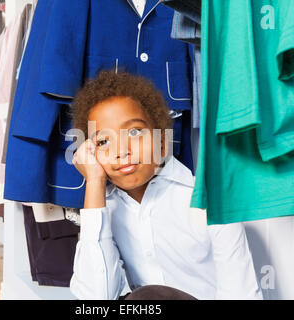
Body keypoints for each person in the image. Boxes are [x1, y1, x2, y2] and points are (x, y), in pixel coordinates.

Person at [69, 70, 262, 300]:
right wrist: (94, 182)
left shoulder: (207, 199)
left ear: (161, 142)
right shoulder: (104, 207)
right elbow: (95, 300)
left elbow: (241, 294)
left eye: (134, 132)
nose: (121, 151)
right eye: (103, 141)